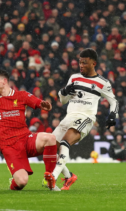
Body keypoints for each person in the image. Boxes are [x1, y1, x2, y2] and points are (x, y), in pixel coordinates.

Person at [50, 48, 119, 190]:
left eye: (84, 63)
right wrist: (63, 92)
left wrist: (112, 115)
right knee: (50, 148)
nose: (81, 65)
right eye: (80, 62)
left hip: (85, 118)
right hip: (68, 117)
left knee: (64, 143)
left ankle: (53, 176)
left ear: (94, 63)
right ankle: (69, 176)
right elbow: (63, 100)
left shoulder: (103, 83)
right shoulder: (74, 78)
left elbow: (114, 102)